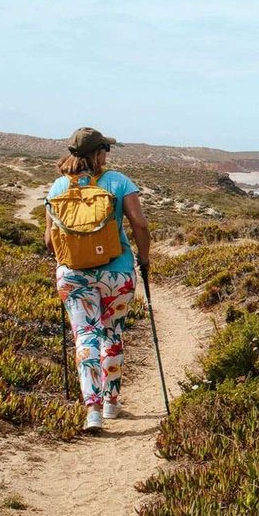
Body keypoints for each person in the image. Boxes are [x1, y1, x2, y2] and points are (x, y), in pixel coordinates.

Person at [44, 127, 151, 432]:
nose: (108, 154)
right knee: (111, 334)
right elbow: (140, 225)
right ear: (98, 153)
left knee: (85, 336)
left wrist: (73, 257)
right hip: (116, 272)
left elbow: (50, 241)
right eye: (106, 149)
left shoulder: (57, 188)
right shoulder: (118, 182)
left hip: (74, 274)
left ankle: (91, 410)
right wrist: (143, 259)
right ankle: (111, 403)